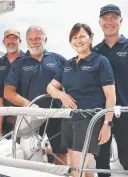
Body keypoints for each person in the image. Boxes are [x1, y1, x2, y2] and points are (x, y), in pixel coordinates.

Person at [47, 23, 116, 177]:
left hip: (89, 120)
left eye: (82, 36)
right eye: (74, 37)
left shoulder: (100, 61)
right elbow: (50, 88)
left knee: (76, 168)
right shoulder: (67, 64)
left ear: (91, 38)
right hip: (68, 119)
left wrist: (107, 124)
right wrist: (62, 95)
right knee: (84, 168)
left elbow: (111, 95)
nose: (78, 40)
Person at [4, 25, 68, 165]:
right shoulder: (19, 63)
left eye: (38, 38)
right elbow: (8, 92)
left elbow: (72, 84)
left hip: (56, 114)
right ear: (26, 41)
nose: (34, 42)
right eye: (31, 39)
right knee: (26, 151)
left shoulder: (58, 60)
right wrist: (29, 105)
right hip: (30, 116)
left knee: (61, 152)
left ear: (45, 39)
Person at [93, 4, 128, 177]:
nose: (109, 22)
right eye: (105, 18)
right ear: (99, 23)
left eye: (114, 18)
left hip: (126, 113)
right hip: (100, 114)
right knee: (100, 161)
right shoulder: (95, 51)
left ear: (121, 21)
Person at [0, 29, 26, 134]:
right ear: (3, 42)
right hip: (5, 114)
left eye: (14, 38)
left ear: (20, 41)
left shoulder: (29, 60)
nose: (11, 41)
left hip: (25, 113)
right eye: (8, 38)